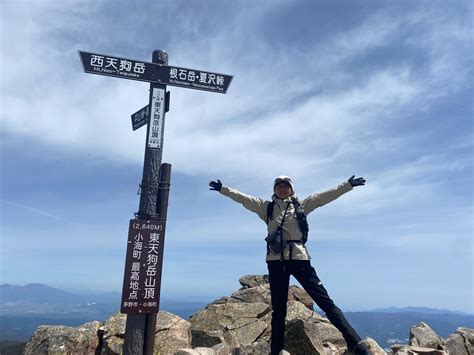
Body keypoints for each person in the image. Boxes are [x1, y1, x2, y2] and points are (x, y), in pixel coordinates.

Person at [209, 175, 369, 355]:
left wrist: (347, 185)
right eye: (279, 186)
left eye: (286, 186)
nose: (282, 189)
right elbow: (244, 199)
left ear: (292, 189)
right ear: (274, 189)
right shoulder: (267, 208)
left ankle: (355, 343)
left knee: (326, 303)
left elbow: (324, 197)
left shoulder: (302, 205)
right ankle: (276, 351)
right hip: (276, 263)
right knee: (279, 311)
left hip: (300, 260)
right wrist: (224, 189)